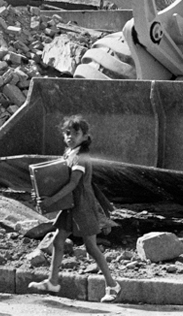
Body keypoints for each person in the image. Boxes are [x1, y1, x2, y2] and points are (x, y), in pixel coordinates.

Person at [28, 115, 121, 303]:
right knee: (57, 241)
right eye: (67, 133)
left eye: (75, 133)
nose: (70, 137)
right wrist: (40, 195)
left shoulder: (80, 157)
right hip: (71, 205)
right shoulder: (69, 154)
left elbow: (72, 184)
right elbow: (59, 180)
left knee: (91, 247)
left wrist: (51, 200)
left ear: (85, 136)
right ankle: (53, 281)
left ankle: (112, 285)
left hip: (83, 206)